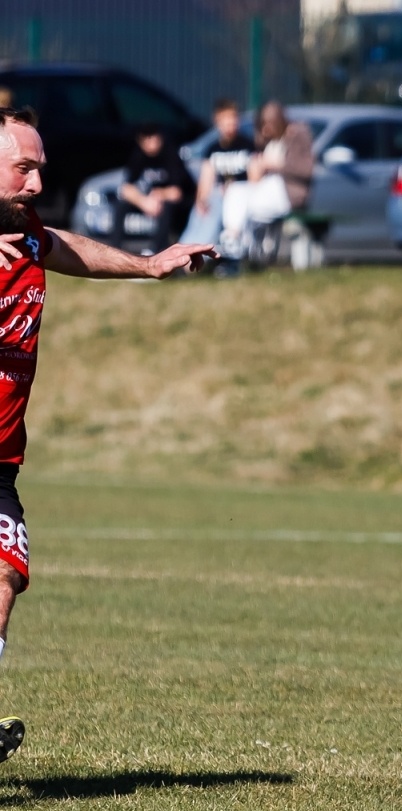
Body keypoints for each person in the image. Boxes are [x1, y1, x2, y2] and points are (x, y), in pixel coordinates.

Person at [0, 106, 214, 765]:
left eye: (40, 169)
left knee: (4, 580)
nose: (37, 184)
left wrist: (148, 266)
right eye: (23, 169)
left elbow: (66, 246)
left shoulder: (26, 233)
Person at [218, 100, 313, 271]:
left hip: (289, 193)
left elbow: (307, 170)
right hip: (266, 190)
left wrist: (276, 164)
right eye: (263, 125)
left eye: (269, 124)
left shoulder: (297, 133)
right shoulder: (266, 140)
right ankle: (231, 236)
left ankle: (237, 252)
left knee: (248, 205)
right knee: (235, 190)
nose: (266, 129)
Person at [180, 99, 255, 249]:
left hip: (239, 197)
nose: (230, 123)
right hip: (218, 195)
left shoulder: (247, 145)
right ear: (217, 122)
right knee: (200, 211)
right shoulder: (213, 149)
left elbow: (254, 180)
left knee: (215, 209)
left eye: (233, 118)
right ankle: (183, 249)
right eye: (226, 119)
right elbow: (206, 179)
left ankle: (196, 254)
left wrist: (232, 190)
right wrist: (201, 200)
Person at [116, 125, 195, 254]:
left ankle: (155, 250)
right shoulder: (139, 156)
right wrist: (143, 202)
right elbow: (126, 189)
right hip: (150, 201)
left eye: (153, 138)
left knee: (166, 207)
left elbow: (177, 193)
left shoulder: (170, 155)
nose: (150, 143)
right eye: (146, 139)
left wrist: (159, 195)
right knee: (121, 206)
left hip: (179, 204)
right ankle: (116, 249)